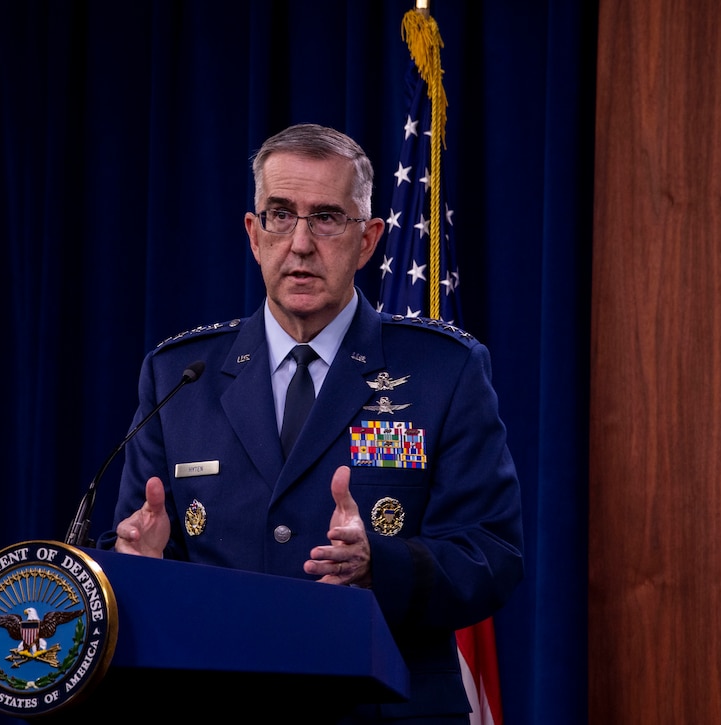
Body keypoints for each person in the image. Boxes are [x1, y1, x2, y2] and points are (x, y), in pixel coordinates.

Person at [97, 123, 523, 724]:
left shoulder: (442, 372)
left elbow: (492, 554)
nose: (300, 243)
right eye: (279, 215)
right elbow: (128, 549)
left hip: (380, 708)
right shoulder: (178, 378)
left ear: (369, 239)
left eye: (326, 217)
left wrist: (382, 564)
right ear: (253, 233)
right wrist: (133, 565)